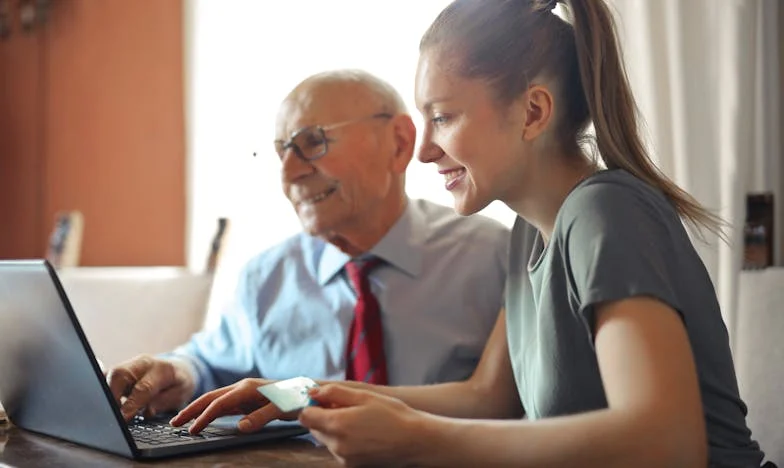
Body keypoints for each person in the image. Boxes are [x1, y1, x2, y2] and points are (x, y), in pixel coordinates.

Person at [169, 1, 775, 467]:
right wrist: (301, 394)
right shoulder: (529, 235)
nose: (426, 149)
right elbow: (488, 396)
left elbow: (666, 443)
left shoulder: (604, 213)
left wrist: (416, 439)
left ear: (534, 112)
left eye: (444, 116)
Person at [106, 69, 509, 423]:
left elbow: (505, 403)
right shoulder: (266, 276)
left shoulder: (493, 257)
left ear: (400, 143)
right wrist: (177, 373)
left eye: (312, 142)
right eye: (282, 151)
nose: (289, 174)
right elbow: (210, 364)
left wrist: (297, 395)